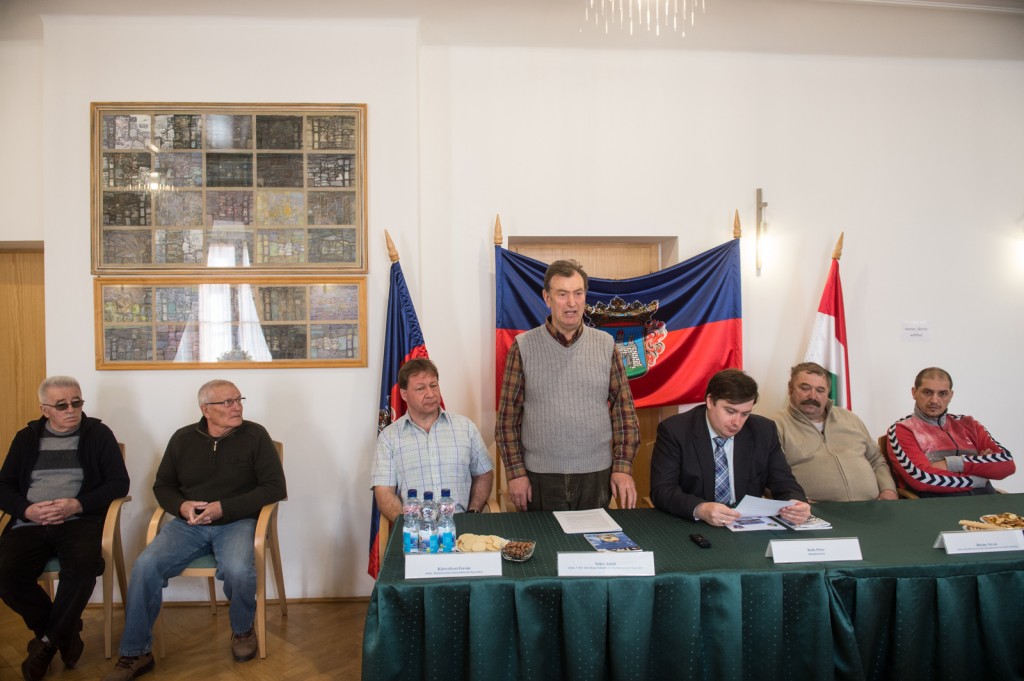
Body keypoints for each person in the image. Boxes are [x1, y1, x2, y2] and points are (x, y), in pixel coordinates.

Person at [104, 380, 286, 681]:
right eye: (227, 402)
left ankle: (243, 631)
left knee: (238, 569)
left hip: (237, 521)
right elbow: (163, 485)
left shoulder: (256, 435)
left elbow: (275, 487)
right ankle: (136, 652)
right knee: (145, 566)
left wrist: (224, 508)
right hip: (189, 525)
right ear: (206, 409)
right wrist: (182, 506)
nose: (237, 406)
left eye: (238, 399)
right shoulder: (183, 439)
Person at [0, 376, 129, 681]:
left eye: (76, 402)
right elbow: (3, 486)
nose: (71, 410)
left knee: (83, 566)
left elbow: (119, 483)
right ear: (44, 409)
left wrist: (77, 504)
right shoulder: (26, 438)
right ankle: (66, 633)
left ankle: (46, 644)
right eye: (62, 405)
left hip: (78, 522)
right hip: (30, 523)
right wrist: (26, 509)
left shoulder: (98, 434)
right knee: (5, 574)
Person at [495, 259, 640, 512]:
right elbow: (507, 419)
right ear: (547, 298)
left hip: (596, 475)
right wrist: (515, 473)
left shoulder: (606, 345)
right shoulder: (523, 347)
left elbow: (624, 412)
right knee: (544, 538)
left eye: (578, 293)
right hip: (540, 478)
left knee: (594, 538)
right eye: (562, 294)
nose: (571, 303)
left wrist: (623, 467)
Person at [650, 369, 810, 526]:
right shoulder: (675, 430)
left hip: (745, 525)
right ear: (710, 401)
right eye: (730, 411)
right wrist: (700, 509)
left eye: (745, 414)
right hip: (693, 525)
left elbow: (784, 482)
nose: (737, 422)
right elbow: (662, 490)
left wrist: (796, 504)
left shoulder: (764, 431)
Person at [372, 358, 494, 520]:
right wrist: (406, 524)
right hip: (416, 528)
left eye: (433, 385)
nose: (430, 394)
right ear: (404, 394)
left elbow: (484, 474)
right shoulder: (389, 437)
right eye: (420, 388)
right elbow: (384, 492)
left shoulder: (465, 427)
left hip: (461, 524)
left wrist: (473, 513)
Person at [774, 362, 898, 502]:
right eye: (805, 388)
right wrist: (795, 501)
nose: (812, 396)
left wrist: (889, 490)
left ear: (828, 392)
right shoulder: (775, 426)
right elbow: (773, 476)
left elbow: (876, 459)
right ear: (790, 388)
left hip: (873, 505)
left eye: (820, 390)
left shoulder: (850, 418)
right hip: (816, 509)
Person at [885, 367, 1014, 497]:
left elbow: (1007, 464)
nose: (934, 400)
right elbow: (922, 479)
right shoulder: (902, 429)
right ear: (914, 393)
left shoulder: (970, 424)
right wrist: (980, 472)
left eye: (942, 394)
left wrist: (950, 463)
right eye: (927, 392)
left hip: (986, 498)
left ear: (951, 395)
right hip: (940, 504)